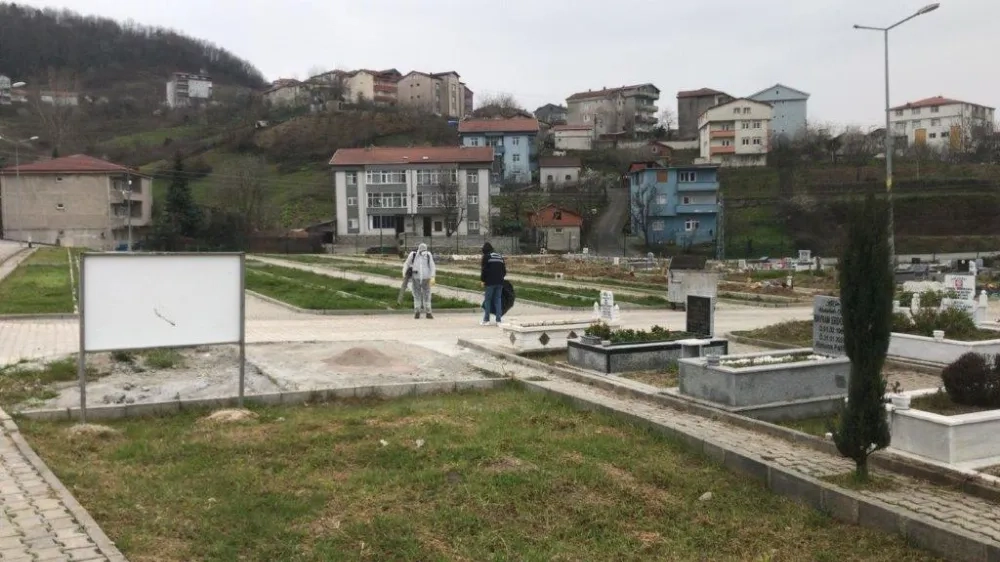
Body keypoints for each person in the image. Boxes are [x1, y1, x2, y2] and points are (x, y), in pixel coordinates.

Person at [403, 243, 436, 319]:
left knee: (427, 295)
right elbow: (407, 264)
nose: (423, 252)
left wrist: (432, 276)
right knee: (416, 295)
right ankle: (417, 312)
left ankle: (428, 312)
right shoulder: (413, 254)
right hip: (416, 278)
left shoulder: (428, 255)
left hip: (426, 278)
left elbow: (432, 266)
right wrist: (404, 273)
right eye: (422, 251)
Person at [480, 242, 507, 326]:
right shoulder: (500, 256)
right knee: (498, 300)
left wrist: (483, 280)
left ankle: (486, 320)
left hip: (490, 282)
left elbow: (484, 270)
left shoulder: (486, 257)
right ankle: (498, 321)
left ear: (485, 250)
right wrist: (500, 278)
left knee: (488, 300)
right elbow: (504, 271)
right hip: (500, 282)